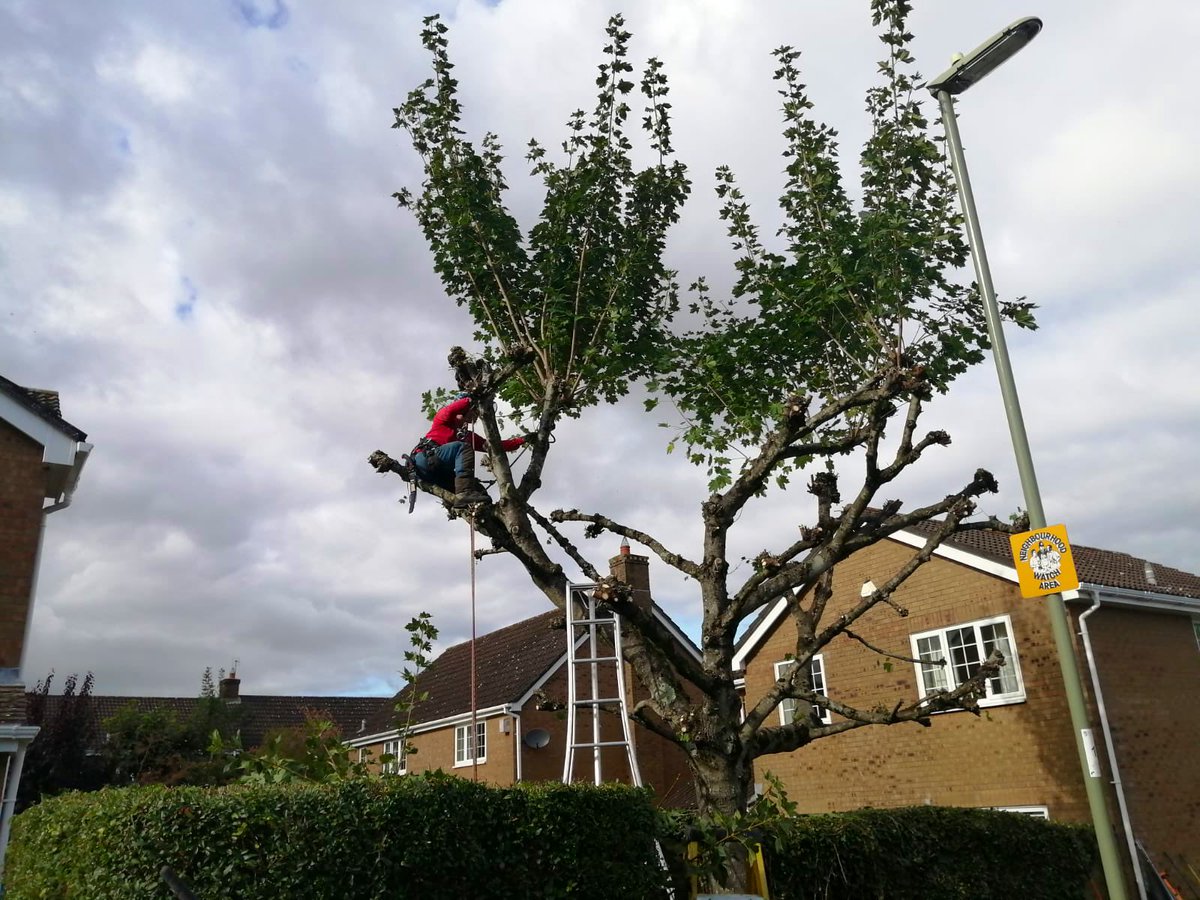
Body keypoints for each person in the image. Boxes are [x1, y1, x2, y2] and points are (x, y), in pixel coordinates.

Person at [412, 394, 526, 507]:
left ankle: (481, 512)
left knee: (479, 491)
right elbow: (452, 409)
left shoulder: (467, 436)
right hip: (426, 460)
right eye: (474, 411)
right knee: (463, 447)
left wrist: (522, 440)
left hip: (439, 473)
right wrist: (473, 398)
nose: (476, 415)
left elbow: (493, 446)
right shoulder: (444, 418)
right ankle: (464, 493)